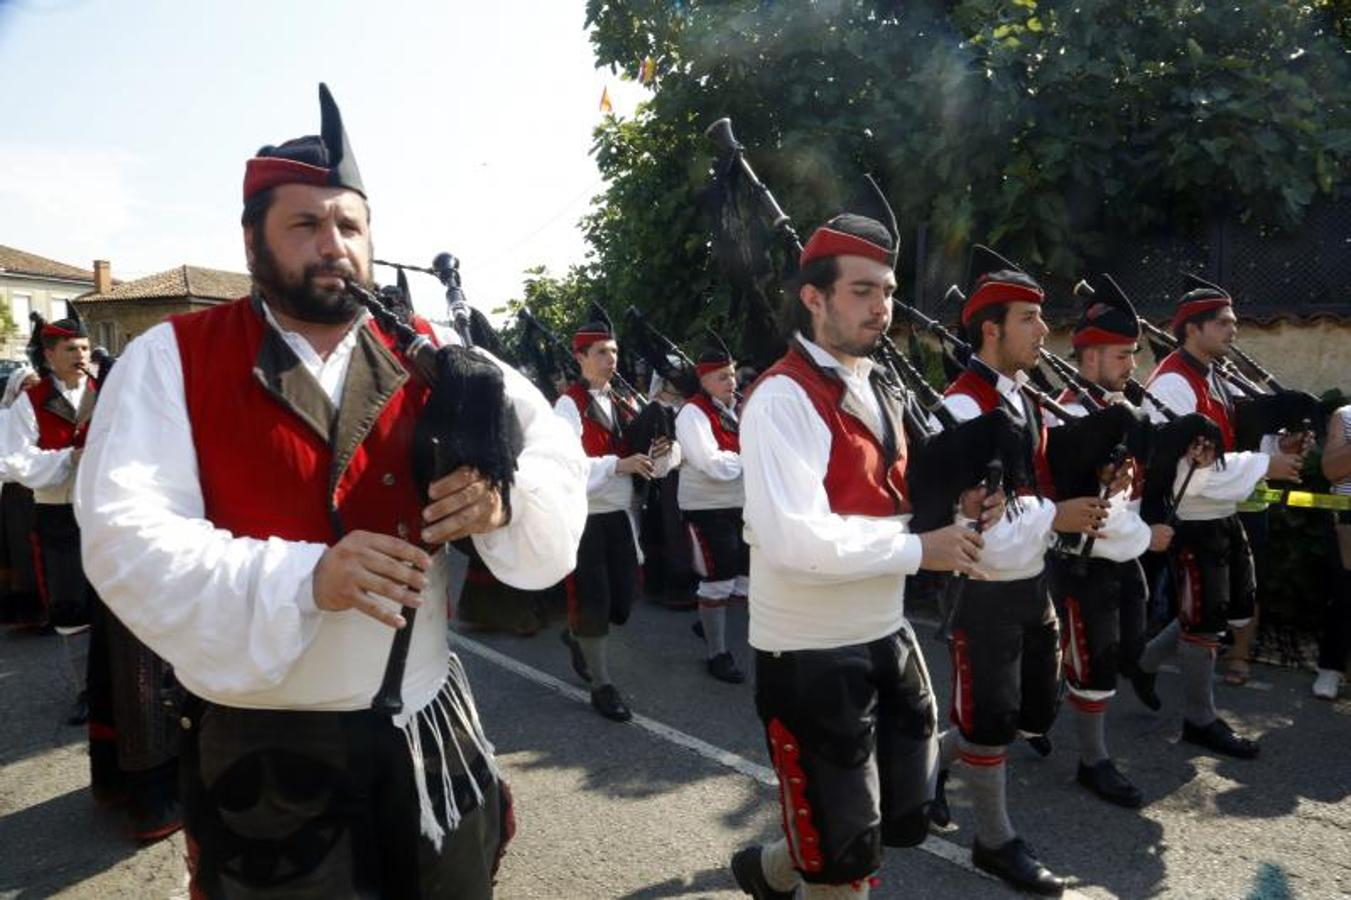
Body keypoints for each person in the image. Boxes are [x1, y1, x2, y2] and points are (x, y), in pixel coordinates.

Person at [74, 84, 587, 897]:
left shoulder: (437, 355)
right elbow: (122, 534)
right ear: (253, 244)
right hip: (263, 755)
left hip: (426, 732)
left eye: (349, 225)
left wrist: (503, 503)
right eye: (305, 225)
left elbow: (555, 457)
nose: (333, 245)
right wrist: (306, 579)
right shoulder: (171, 358)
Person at [731, 213, 997, 899]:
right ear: (812, 298)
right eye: (859, 290)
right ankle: (800, 868)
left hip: (886, 630)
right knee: (846, 862)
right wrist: (919, 548)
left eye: (885, 289)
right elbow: (794, 540)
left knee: (888, 819)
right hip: (809, 649)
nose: (879, 306)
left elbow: (893, 499)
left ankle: (768, 871)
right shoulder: (781, 398)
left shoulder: (881, 384)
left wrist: (958, 511)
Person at [933, 246, 1112, 896]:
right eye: (1030, 319)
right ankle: (993, 840)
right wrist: (1056, 515)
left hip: (1031, 581)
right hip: (981, 587)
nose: (1044, 331)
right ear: (990, 329)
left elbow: (1034, 486)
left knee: (1028, 712)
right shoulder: (961, 407)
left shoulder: (1023, 399)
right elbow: (979, 524)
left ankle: (930, 762)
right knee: (989, 716)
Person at [1133, 278, 1305, 757]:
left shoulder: (1211, 374)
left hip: (1222, 512)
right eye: (1223, 322)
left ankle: (1144, 661)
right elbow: (1188, 473)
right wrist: (1266, 465)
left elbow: (1231, 444)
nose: (1235, 328)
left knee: (1224, 607)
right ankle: (1199, 719)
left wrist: (1277, 447)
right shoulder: (1172, 383)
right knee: (1203, 621)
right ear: (1193, 329)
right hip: (1191, 516)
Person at [1043, 281, 1173, 808]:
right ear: (1091, 353)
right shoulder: (1062, 412)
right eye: (1123, 355)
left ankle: (1044, 699)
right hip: (1081, 561)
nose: (1132, 366)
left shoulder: (1123, 405)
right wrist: (1145, 534)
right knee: (1092, 662)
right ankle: (1092, 760)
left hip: (1123, 555)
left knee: (1118, 649)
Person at [554, 322, 677, 721]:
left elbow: (652, 464)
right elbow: (566, 467)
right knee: (594, 602)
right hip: (586, 517)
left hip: (621, 515)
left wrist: (664, 452)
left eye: (614, 352)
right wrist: (616, 464)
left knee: (621, 603)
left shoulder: (626, 401)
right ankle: (601, 685)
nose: (611, 360)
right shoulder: (568, 405)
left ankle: (575, 637)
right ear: (580, 357)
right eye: (602, 352)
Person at [674, 347, 750, 683]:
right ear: (703, 380)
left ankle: (705, 620)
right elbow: (712, 464)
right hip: (707, 508)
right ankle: (717, 654)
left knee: (746, 580)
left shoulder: (739, 408)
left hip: (742, 506)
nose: (731, 381)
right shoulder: (692, 413)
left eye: (732, 374)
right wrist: (752, 459)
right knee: (719, 580)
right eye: (722, 376)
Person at [0, 365, 42, 627]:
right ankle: (29, 614)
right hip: (18, 493)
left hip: (44, 491)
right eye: (26, 385)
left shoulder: (44, 413)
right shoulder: (5, 418)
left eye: (35, 384)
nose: (31, 390)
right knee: (22, 553)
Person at [1315, 403, 1351, 699]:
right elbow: (1331, 471)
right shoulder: (1345, 416)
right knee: (1343, 594)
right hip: (1347, 520)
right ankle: (1330, 668)